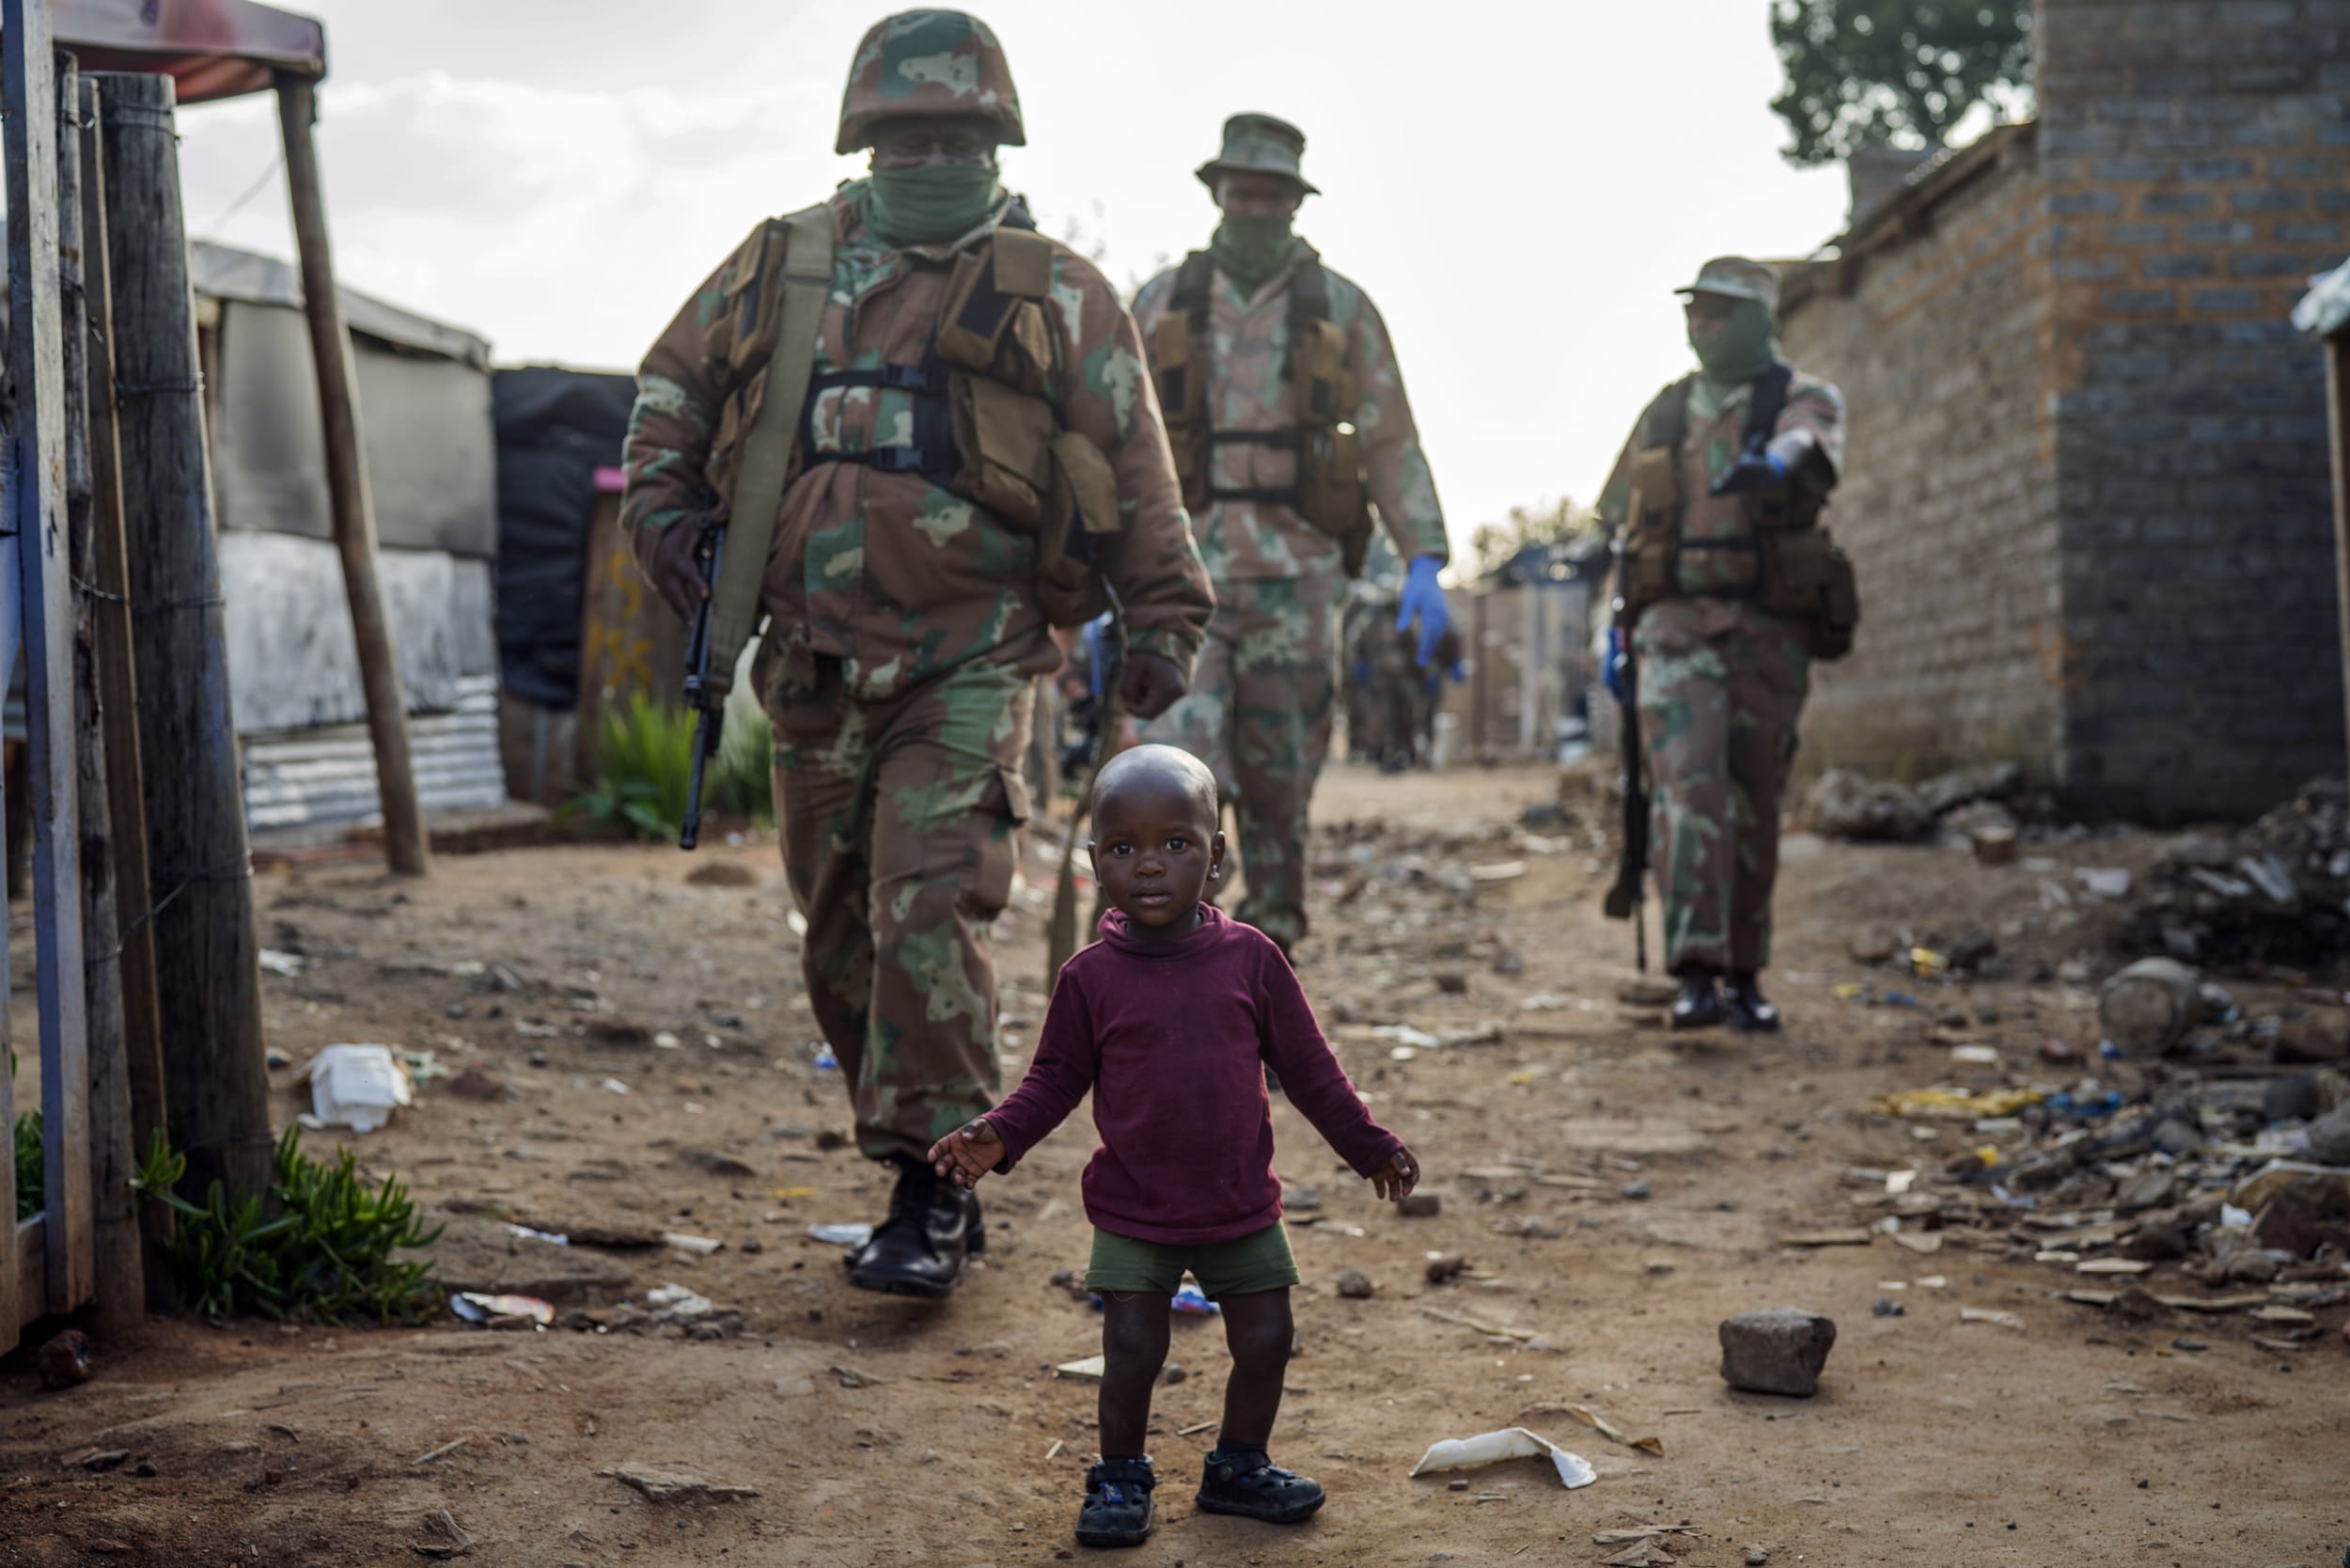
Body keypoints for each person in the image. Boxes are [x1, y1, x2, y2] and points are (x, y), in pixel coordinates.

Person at [620, 9, 1214, 1301]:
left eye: (957, 133)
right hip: (811, 663)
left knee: (930, 905)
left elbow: (1135, 464)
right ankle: (914, 1158)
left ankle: (931, 1184)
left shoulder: (1058, 288)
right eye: (907, 133)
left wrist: (1163, 620)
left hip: (973, 656)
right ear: (863, 138)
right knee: (839, 926)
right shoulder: (783, 264)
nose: (932, 151)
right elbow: (670, 391)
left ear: (997, 138)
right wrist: (663, 514)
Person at [928, 745, 1419, 1549]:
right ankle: (1120, 1476)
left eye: (1175, 844)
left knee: (1267, 1340)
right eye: (1123, 848)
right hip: (1133, 1206)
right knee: (1131, 1349)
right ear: (1094, 863)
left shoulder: (1252, 960)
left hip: (1240, 1202)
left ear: (1217, 855)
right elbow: (1053, 1080)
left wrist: (1369, 1145)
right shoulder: (1089, 978)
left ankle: (1238, 1467)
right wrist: (999, 1134)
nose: (1149, 865)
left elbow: (1310, 1069)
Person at [1131, 113, 1451, 954]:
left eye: (1273, 195)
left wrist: (1424, 556)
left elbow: (1388, 439)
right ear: (1218, 193)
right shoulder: (1162, 302)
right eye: (1243, 192)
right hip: (1179, 582)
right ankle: (1164, 978)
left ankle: (1262, 986)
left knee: (1280, 795)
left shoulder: (1341, 310)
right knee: (1169, 786)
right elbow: (1112, 439)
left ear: (1295, 203)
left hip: (1299, 587)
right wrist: (1091, 570)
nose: (1256, 209)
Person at [1595, 257, 1851, 1032]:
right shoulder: (1666, 411)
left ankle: (1747, 971)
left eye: (1721, 313)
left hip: (1766, 631)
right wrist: (1617, 626)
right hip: (1674, 627)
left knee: (1753, 800)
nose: (1704, 326)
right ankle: (1697, 971)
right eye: (1696, 312)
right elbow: (1620, 520)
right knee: (1687, 793)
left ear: (1759, 319)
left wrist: (1772, 460)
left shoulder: (1797, 395)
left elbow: (1810, 438)